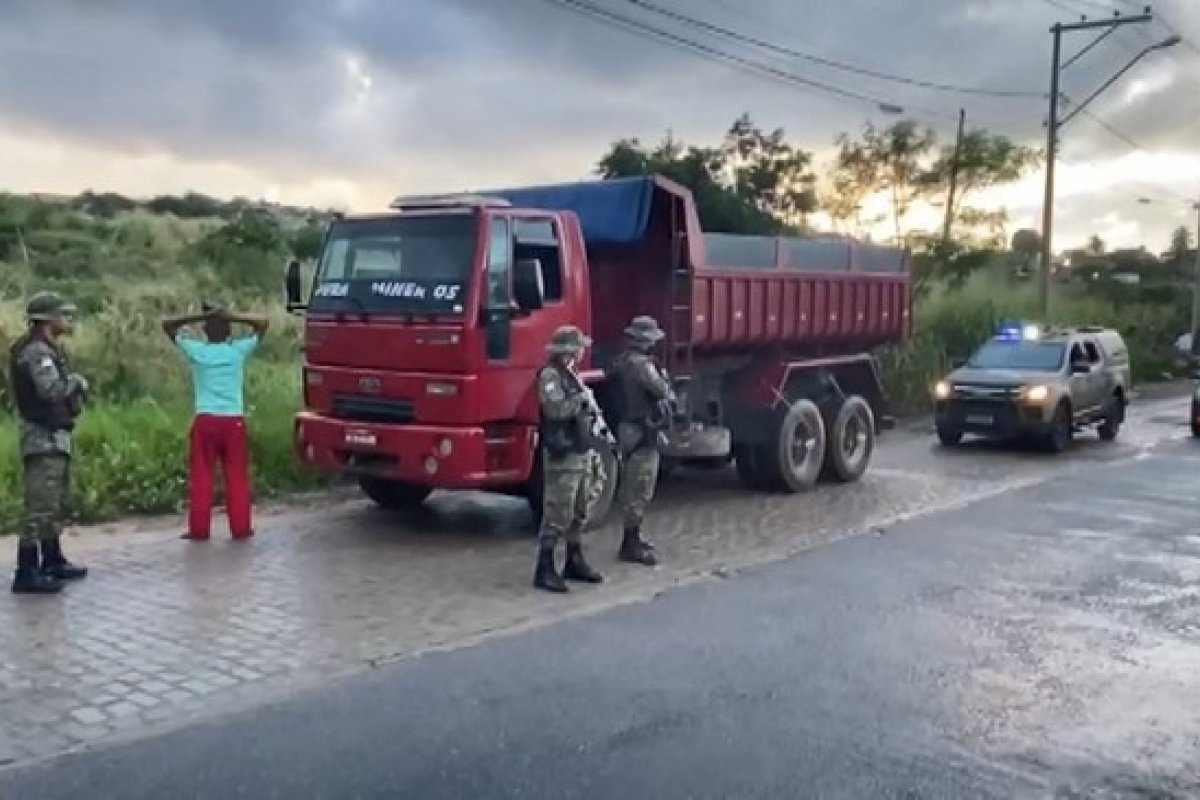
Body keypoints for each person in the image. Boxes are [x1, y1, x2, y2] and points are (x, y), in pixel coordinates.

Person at [162, 302, 269, 541]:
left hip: (206, 419)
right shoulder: (237, 351)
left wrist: (202, 315)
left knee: (202, 475)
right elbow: (263, 324)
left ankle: (199, 530)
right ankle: (241, 528)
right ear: (229, 331)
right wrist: (232, 315)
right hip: (233, 420)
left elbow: (167, 325)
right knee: (237, 476)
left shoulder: (197, 351)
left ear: (205, 331)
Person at [9, 291, 90, 594]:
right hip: (42, 437)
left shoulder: (44, 348)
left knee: (54, 503)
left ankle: (52, 559)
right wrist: (77, 383)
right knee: (39, 506)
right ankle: (27, 570)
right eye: (61, 315)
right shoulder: (36, 352)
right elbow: (51, 390)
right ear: (46, 319)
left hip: (53, 435)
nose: (66, 320)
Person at [533, 325, 604, 594]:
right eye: (578, 347)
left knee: (579, 507)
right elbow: (554, 408)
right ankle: (545, 566)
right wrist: (582, 402)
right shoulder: (550, 375)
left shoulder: (571, 373)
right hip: (562, 451)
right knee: (557, 511)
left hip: (579, 447)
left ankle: (574, 559)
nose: (582, 351)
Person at [610, 315, 673, 567]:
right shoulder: (641, 365)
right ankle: (630, 543)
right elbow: (662, 390)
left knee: (634, 486)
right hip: (641, 430)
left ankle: (633, 538)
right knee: (640, 488)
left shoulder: (622, 361)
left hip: (629, 429)